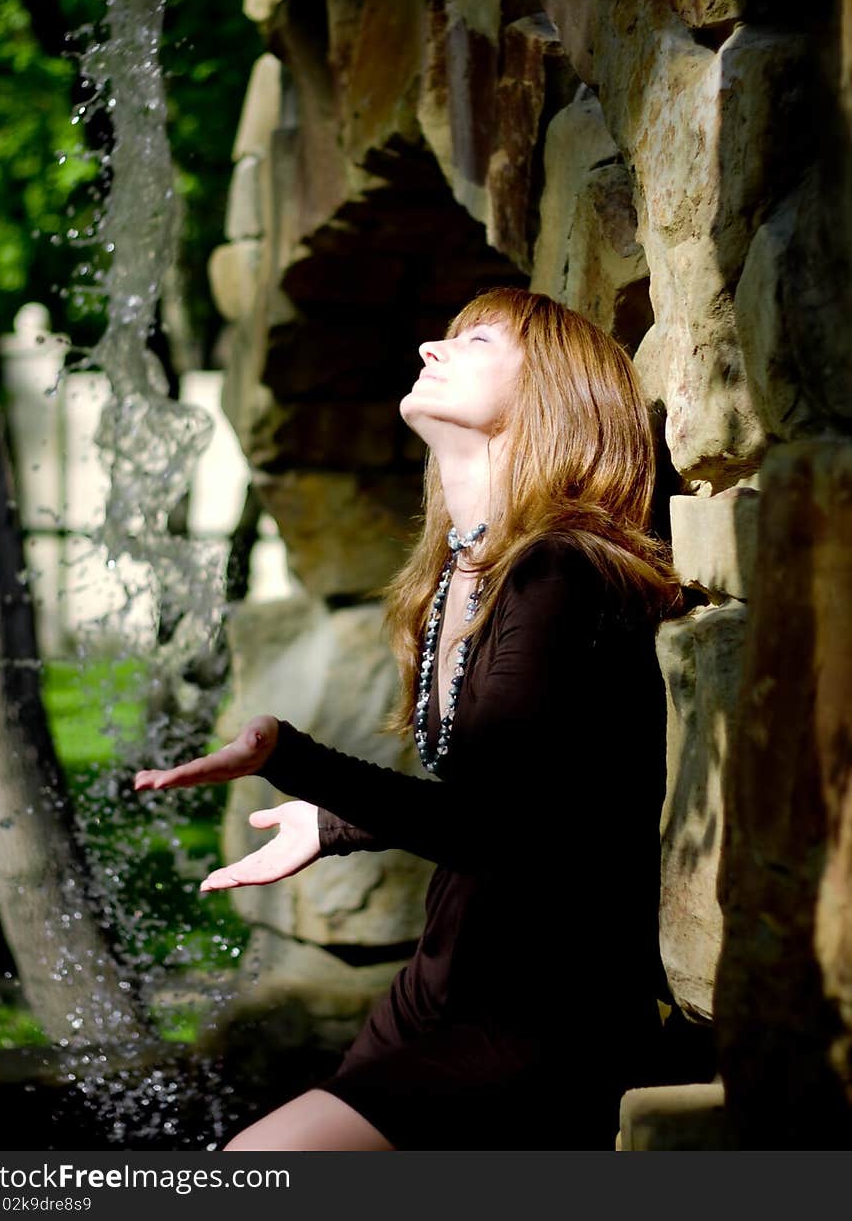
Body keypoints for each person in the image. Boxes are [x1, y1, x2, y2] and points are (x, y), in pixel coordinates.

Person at [135, 286, 683, 1150]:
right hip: (445, 975)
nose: (432, 347)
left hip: (543, 1001)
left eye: (474, 340)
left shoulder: (560, 574)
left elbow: (499, 823)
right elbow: (517, 793)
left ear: (554, 391)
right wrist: (333, 823)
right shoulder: (464, 576)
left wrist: (295, 759)